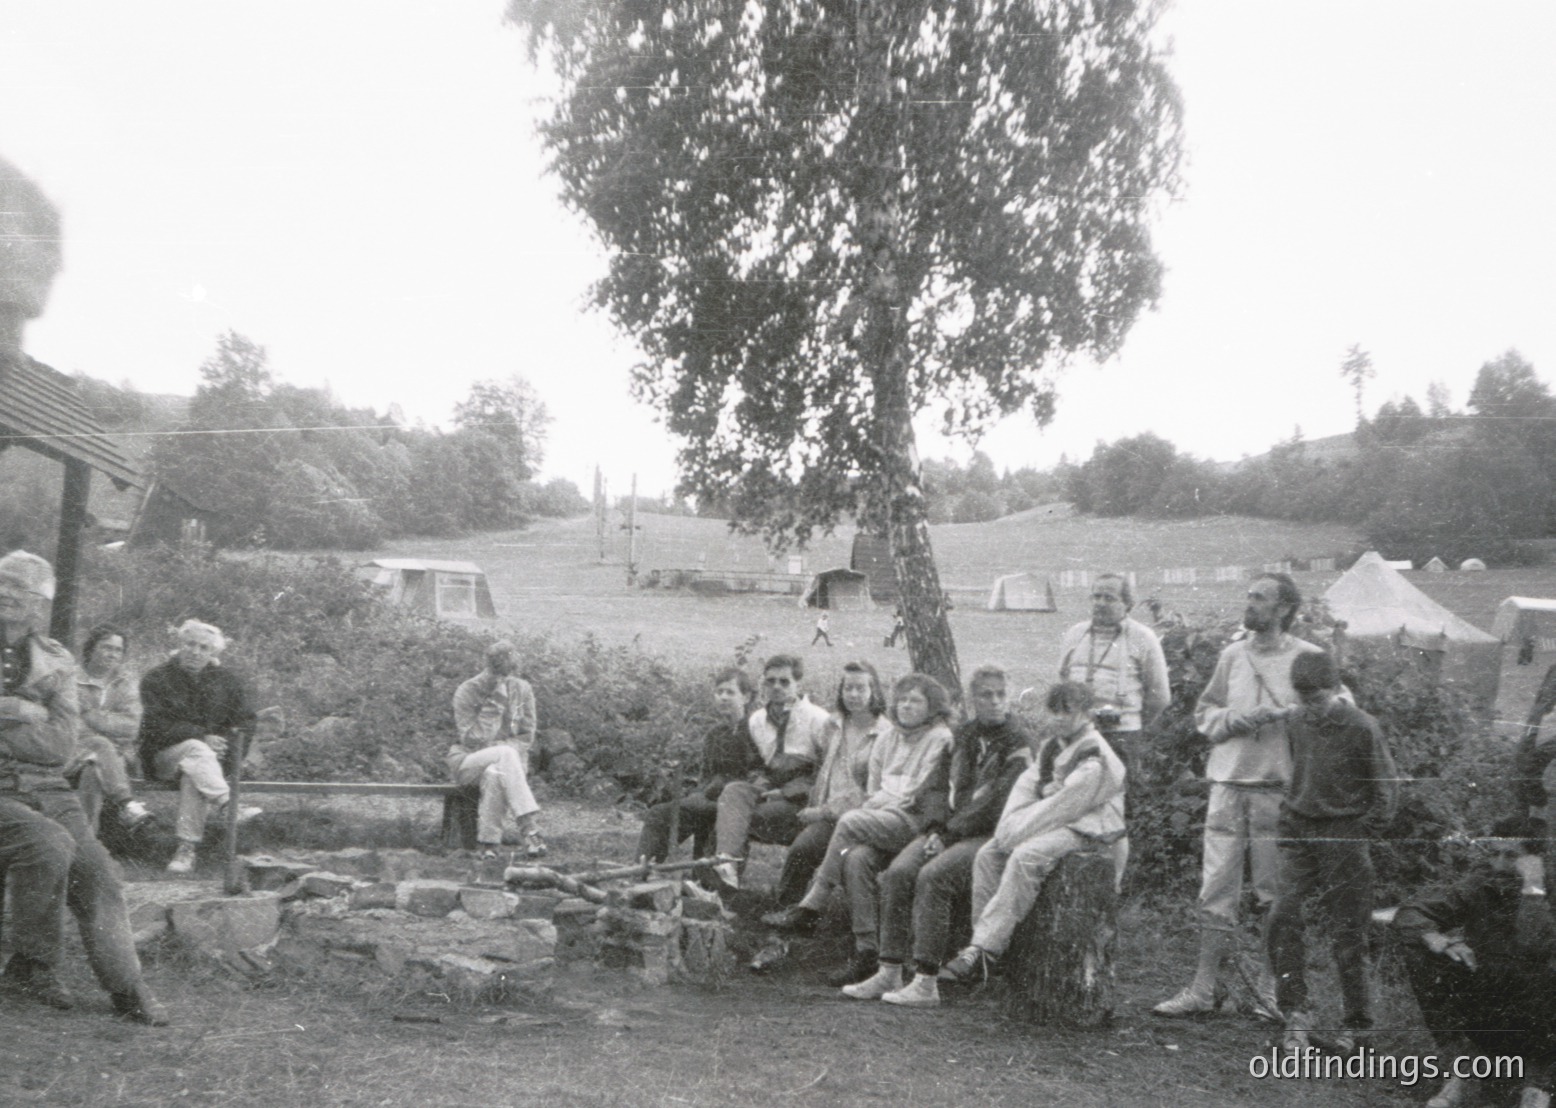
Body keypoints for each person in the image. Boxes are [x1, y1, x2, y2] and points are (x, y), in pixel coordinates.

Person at [0, 550, 168, 1024]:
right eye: (4, 582)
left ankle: (126, 985)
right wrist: (21, 709)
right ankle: (32, 964)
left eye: (25, 589)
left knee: (97, 870)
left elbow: (59, 744)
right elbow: (44, 729)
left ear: (41, 603)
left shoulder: (56, 658)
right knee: (47, 843)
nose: (11, 594)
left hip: (46, 785)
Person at [1155, 573, 1322, 1019]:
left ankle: (1269, 993)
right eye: (1249, 596)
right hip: (1227, 787)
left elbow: (1335, 712)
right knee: (1214, 891)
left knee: (1274, 895)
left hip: (1278, 792)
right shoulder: (1233, 655)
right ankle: (1203, 988)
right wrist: (1241, 719)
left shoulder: (1310, 658)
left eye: (1260, 598)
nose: (1249, 604)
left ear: (1284, 609)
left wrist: (1293, 716)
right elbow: (1205, 713)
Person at [842, 665, 1033, 1006]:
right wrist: (934, 827)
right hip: (947, 829)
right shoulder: (963, 735)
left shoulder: (1017, 743)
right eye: (985, 695)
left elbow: (996, 803)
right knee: (900, 872)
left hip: (988, 835)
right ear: (972, 699)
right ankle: (889, 969)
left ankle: (926, 981)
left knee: (934, 876)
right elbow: (933, 787)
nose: (994, 702)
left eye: (1000, 694)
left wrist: (948, 833)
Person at [768, 673, 956, 987]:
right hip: (883, 818)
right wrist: (881, 802)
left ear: (933, 706)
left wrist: (880, 803)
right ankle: (867, 950)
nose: (907, 706)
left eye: (917, 700)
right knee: (856, 859)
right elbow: (875, 788)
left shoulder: (940, 738)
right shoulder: (888, 738)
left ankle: (814, 901)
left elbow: (918, 793)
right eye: (904, 699)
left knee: (851, 821)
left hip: (916, 823)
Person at [937, 680, 1126, 986]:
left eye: (1070, 712)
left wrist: (1017, 832)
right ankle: (981, 949)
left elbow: (1065, 805)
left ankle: (986, 949)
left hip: (1091, 827)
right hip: (1054, 820)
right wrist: (1007, 830)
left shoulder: (1095, 754)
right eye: (1056, 712)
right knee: (989, 854)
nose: (1061, 718)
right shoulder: (1053, 745)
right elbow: (1026, 788)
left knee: (1026, 856)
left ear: (1087, 714)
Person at [1266, 651, 1398, 1053]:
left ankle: (1357, 1027)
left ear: (1337, 690)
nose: (1311, 708)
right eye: (1304, 700)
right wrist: (1290, 820)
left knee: (1348, 933)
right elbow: (1299, 773)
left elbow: (1387, 791)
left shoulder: (1361, 727)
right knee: (1281, 916)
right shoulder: (1295, 720)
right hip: (1301, 832)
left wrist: (1359, 832)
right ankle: (1296, 1016)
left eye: (1318, 699)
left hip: (1344, 835)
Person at [1393, 816, 1556, 1108]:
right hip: (1492, 1004)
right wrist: (1437, 938)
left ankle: (1538, 1086)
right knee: (1421, 951)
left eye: (1511, 856)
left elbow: (1534, 946)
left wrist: (1533, 887)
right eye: (1494, 854)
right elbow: (1412, 912)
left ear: (1536, 859)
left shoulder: (1548, 887)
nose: (1499, 864)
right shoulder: (1483, 881)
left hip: (1542, 1016)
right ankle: (1461, 1071)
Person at [1056, 572, 1169, 887]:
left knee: (1113, 814)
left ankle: (1112, 887)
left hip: (1121, 737)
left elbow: (1160, 696)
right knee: (1072, 808)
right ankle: (1074, 881)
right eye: (1096, 596)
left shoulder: (1143, 638)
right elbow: (1061, 684)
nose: (1101, 604)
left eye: (1110, 597)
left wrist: (1131, 722)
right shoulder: (1075, 634)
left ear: (1128, 604)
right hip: (1076, 736)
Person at [138, 619, 260, 875]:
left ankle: (186, 850)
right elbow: (153, 726)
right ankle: (228, 805)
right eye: (190, 644)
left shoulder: (228, 682)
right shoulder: (157, 679)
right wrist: (202, 737)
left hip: (208, 765)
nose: (195, 651)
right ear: (180, 645)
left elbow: (245, 722)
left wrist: (226, 751)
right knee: (196, 749)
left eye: (204, 647)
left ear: (213, 652)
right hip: (163, 758)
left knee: (195, 770)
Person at [764, 661, 888, 908]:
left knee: (804, 848)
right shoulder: (834, 725)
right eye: (848, 688)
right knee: (761, 817)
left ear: (874, 691)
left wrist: (822, 812)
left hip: (857, 817)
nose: (853, 695)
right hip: (821, 808)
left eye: (860, 688)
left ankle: (791, 910)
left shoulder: (885, 734)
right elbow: (819, 768)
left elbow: (871, 792)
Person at [708, 654, 832, 891]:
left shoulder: (818, 719)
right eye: (770, 681)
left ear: (798, 684)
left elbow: (826, 772)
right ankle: (725, 868)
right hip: (770, 786)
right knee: (733, 792)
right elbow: (754, 764)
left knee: (736, 820)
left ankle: (722, 891)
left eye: (784, 682)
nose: (776, 687)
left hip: (803, 797)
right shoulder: (756, 720)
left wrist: (786, 793)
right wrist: (762, 784)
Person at [637, 667, 761, 863]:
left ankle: (704, 881)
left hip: (738, 803)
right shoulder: (714, 734)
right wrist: (699, 793)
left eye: (730, 692)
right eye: (719, 692)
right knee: (662, 815)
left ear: (745, 697)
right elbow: (706, 775)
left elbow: (756, 775)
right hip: (709, 799)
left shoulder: (756, 731)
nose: (723, 697)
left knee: (690, 814)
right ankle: (643, 872)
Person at [449, 640, 545, 858]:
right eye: (496, 675)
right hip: (467, 762)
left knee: (496, 773)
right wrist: (494, 704)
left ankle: (488, 845)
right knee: (506, 754)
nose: (502, 681)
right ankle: (529, 827)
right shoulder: (467, 690)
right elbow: (471, 740)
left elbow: (526, 736)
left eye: (507, 676)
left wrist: (502, 748)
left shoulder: (522, 689)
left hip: (507, 766)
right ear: (487, 669)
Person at [67, 625, 152, 835]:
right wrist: (106, 731)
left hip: (112, 757)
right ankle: (126, 803)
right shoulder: (70, 679)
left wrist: (91, 715)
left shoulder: (125, 684)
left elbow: (131, 727)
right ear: (91, 649)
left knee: (93, 771)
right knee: (101, 745)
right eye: (106, 647)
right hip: (70, 752)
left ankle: (85, 841)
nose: (113, 654)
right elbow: (69, 723)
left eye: (118, 650)